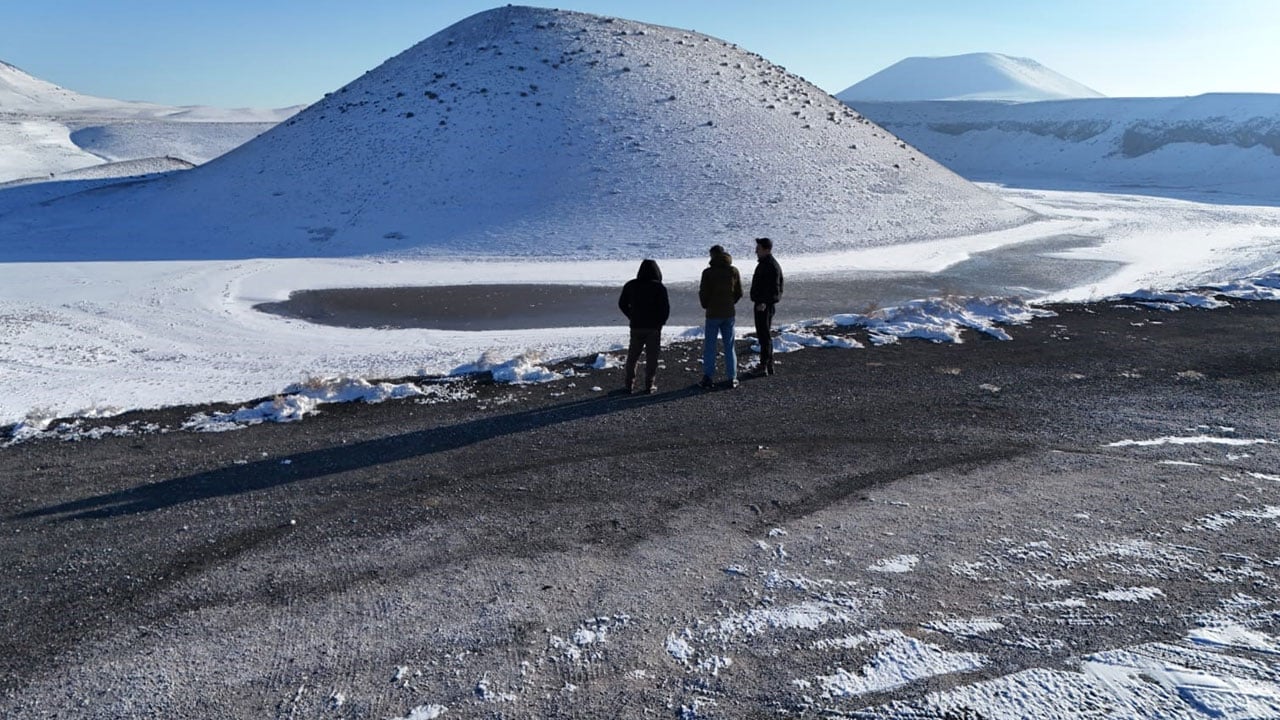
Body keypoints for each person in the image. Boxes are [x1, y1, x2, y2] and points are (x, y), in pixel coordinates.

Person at [617, 258, 670, 394]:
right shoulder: (659, 288)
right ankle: (649, 385)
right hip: (653, 328)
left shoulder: (631, 285)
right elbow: (665, 309)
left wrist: (631, 316)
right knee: (652, 357)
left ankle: (629, 385)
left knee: (633, 356)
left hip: (636, 326)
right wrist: (660, 323)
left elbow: (622, 304)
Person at [698, 244, 743, 389]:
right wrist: (730, 302)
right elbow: (739, 292)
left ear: (712, 255)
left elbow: (703, 293)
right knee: (729, 346)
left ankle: (708, 377)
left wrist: (707, 305)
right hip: (728, 313)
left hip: (713, 313)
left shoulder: (708, 273)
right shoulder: (733, 271)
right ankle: (732, 377)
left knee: (710, 347)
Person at [750, 237, 784, 376]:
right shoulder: (766, 264)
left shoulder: (771, 265)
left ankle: (764, 365)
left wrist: (764, 302)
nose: (756, 251)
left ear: (766, 249)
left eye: (758, 249)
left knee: (764, 335)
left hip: (764, 306)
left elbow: (775, 289)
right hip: (762, 304)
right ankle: (768, 364)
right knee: (763, 334)